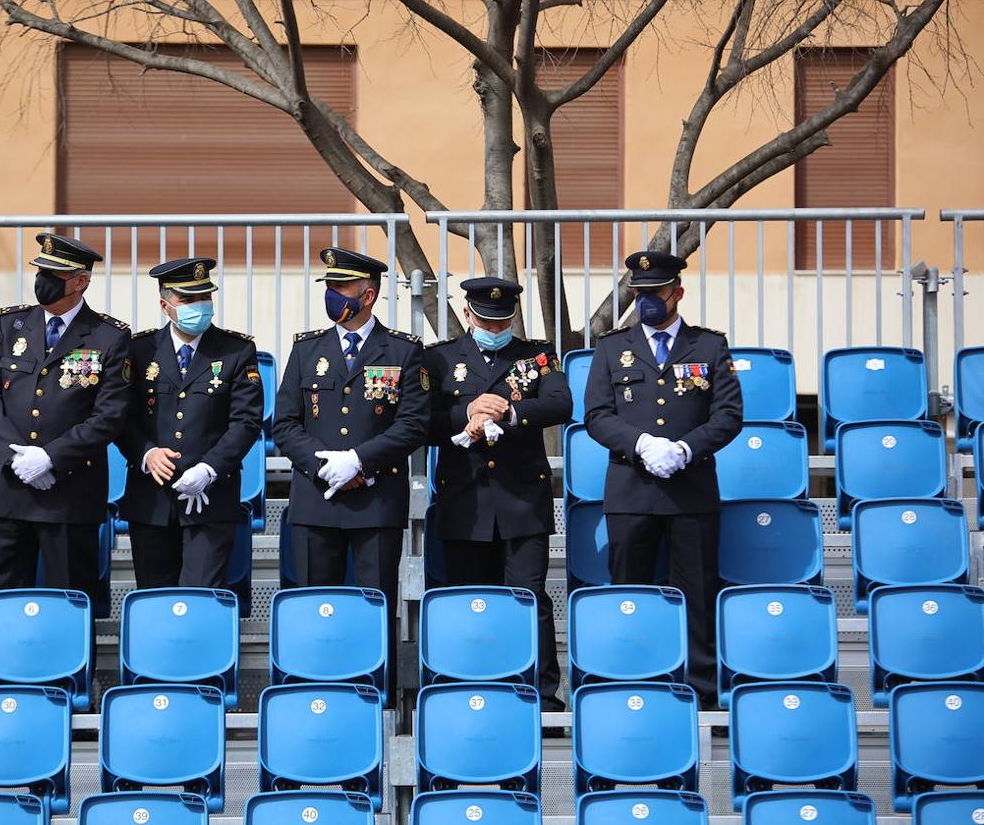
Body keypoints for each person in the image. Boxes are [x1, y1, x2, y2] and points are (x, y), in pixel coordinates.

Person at [583, 251, 743, 707]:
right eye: (640, 293)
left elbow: (729, 415)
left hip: (690, 491)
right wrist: (642, 445)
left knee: (695, 593)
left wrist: (685, 448)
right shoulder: (612, 347)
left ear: (677, 293)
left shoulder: (709, 346)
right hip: (631, 489)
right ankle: (628, 680)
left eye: (655, 293)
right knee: (629, 594)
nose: (647, 301)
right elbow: (596, 415)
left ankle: (701, 689)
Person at [271, 247, 429, 682]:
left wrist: (359, 460)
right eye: (331, 288)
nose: (334, 295)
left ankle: (373, 691)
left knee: (372, 604)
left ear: (369, 294)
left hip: (374, 500)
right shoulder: (307, 350)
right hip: (315, 498)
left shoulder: (403, 350)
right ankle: (308, 687)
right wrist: (323, 465)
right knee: (312, 605)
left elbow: (414, 424)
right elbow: (284, 423)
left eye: (342, 288)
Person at [424, 277, 572, 712]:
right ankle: (471, 681)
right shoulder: (441, 358)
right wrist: (465, 413)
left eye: (504, 319)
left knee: (528, 596)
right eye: (487, 319)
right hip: (465, 500)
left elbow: (561, 403)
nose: (496, 325)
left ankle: (542, 694)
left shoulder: (536, 355)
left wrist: (511, 410)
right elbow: (423, 420)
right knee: (469, 599)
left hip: (521, 498)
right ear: (468, 315)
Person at [0, 233, 130, 608]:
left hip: (69, 492)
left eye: (54, 273)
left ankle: (71, 669)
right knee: (3, 598)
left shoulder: (109, 336)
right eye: (41, 270)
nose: (43, 279)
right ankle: (2, 668)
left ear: (81, 281)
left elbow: (109, 414)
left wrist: (51, 457)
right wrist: (16, 457)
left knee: (71, 598)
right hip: (8, 488)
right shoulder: (10, 325)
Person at [117, 258, 263, 588]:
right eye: (187, 299)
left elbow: (246, 420)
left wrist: (209, 468)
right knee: (154, 602)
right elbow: (120, 415)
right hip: (151, 501)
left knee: (200, 600)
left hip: (211, 497)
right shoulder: (140, 350)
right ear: (165, 305)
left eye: (204, 298)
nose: (199, 306)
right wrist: (146, 454)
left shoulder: (236, 351)